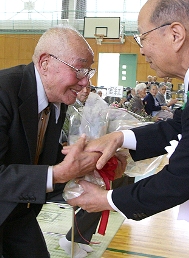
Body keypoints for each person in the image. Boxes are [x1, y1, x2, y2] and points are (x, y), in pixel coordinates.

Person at [66, 0, 189, 257]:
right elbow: (177, 127)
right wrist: (119, 138)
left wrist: (105, 200)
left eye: (142, 37)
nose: (142, 50)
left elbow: (177, 181)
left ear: (175, 34)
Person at [0, 25, 124, 258]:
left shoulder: (57, 101)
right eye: (79, 70)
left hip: (18, 213)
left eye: (89, 72)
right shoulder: (3, 91)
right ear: (45, 63)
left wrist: (90, 160)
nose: (85, 82)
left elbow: (34, 153)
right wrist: (58, 174)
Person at [59, 82, 102, 258]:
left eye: (89, 88)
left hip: (85, 159)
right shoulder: (66, 108)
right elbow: (62, 139)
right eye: (81, 88)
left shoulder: (92, 108)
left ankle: (81, 239)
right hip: (65, 162)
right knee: (95, 195)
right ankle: (70, 239)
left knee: (103, 190)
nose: (85, 91)